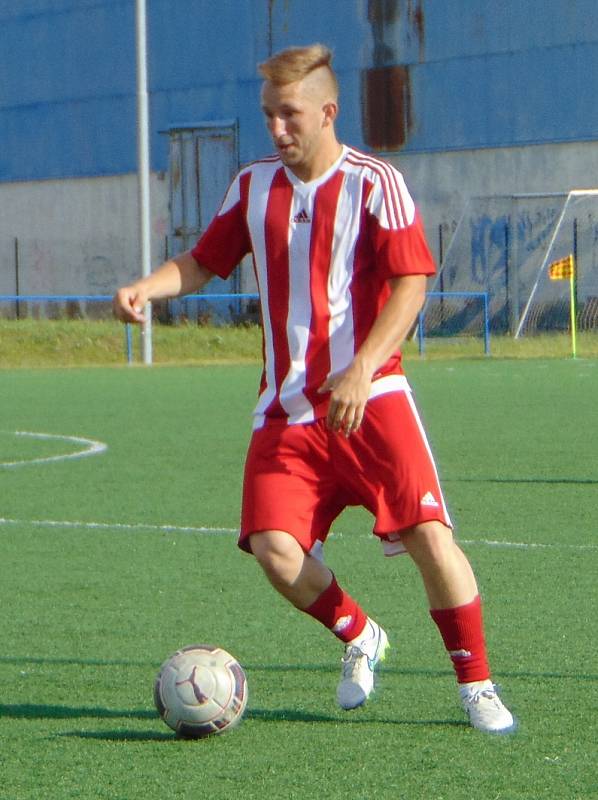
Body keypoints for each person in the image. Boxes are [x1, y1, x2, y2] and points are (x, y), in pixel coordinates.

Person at [114, 44, 514, 733]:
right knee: (273, 548)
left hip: (373, 397)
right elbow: (204, 261)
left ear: (328, 112)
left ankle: (475, 685)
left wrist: (361, 367)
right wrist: (149, 286)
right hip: (286, 411)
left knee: (427, 533)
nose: (277, 128)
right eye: (269, 114)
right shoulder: (251, 186)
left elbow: (412, 282)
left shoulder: (375, 182)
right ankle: (361, 636)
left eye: (290, 114)